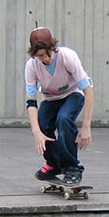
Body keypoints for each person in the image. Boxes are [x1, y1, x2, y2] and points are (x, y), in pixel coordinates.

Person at [24, 28, 93, 185]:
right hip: (51, 98)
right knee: (42, 124)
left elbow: (88, 92)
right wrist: (36, 132)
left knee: (63, 119)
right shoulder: (31, 66)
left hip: (73, 94)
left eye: (48, 53)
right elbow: (31, 102)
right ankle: (53, 164)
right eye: (40, 56)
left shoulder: (67, 57)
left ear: (53, 48)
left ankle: (72, 168)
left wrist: (86, 127)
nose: (46, 59)